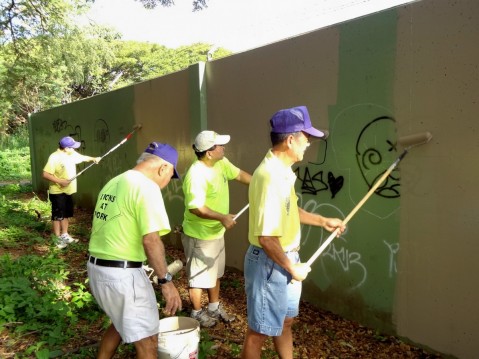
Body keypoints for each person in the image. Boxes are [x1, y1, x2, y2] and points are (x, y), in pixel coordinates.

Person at [241, 106, 346, 359]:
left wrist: (322, 221)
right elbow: (266, 237)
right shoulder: (269, 177)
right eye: (306, 137)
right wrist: (291, 267)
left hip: (285, 260)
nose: (308, 143)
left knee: (285, 322)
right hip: (270, 264)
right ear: (290, 139)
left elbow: (290, 210)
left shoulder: (283, 172)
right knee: (259, 331)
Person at [87, 142, 182, 359]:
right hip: (122, 275)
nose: (167, 183)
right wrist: (166, 281)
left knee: (120, 324)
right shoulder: (147, 187)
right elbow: (151, 240)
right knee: (148, 340)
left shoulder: (115, 181)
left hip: (98, 269)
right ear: (163, 169)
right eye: (170, 177)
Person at [181, 130, 251, 327]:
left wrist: (261, 184)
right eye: (219, 146)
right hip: (200, 235)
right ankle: (196, 312)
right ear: (209, 152)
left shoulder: (221, 163)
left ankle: (213, 307)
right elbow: (195, 207)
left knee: (216, 273)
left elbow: (240, 175)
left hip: (216, 233)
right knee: (198, 277)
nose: (224, 148)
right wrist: (221, 217)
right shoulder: (196, 174)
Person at [42, 136, 101, 248]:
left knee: (66, 214)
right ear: (66, 148)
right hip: (57, 191)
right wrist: (60, 181)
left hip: (68, 191)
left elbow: (83, 157)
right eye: (72, 147)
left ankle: (64, 234)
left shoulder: (70, 154)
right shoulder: (54, 157)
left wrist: (94, 158)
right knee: (57, 215)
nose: (74, 149)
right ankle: (57, 238)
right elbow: (45, 174)